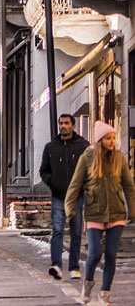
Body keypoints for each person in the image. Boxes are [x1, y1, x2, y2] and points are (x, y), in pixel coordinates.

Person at [65, 121, 135, 305]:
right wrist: (69, 208)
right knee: (95, 253)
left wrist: (132, 210)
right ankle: (87, 285)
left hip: (116, 213)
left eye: (114, 138)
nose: (112, 141)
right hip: (94, 213)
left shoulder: (119, 158)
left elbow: (128, 186)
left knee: (111, 254)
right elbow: (75, 185)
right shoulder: (87, 157)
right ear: (100, 140)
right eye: (108, 138)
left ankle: (105, 293)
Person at [40, 112, 89, 281]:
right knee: (58, 230)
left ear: (73, 126)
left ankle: (74, 267)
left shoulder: (83, 146)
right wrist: (52, 182)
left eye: (66, 123)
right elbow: (43, 170)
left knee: (76, 232)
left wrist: (84, 186)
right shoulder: (51, 147)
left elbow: (91, 169)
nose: (63, 126)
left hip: (77, 196)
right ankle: (56, 265)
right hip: (58, 196)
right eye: (61, 123)